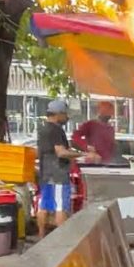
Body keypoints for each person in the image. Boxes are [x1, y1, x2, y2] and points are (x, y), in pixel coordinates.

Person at [37, 99, 96, 239]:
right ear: (58, 114)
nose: (67, 117)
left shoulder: (43, 129)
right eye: (65, 114)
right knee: (60, 207)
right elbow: (61, 152)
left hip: (45, 173)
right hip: (58, 173)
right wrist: (84, 155)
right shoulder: (56, 130)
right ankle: (62, 240)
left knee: (44, 206)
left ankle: (41, 237)